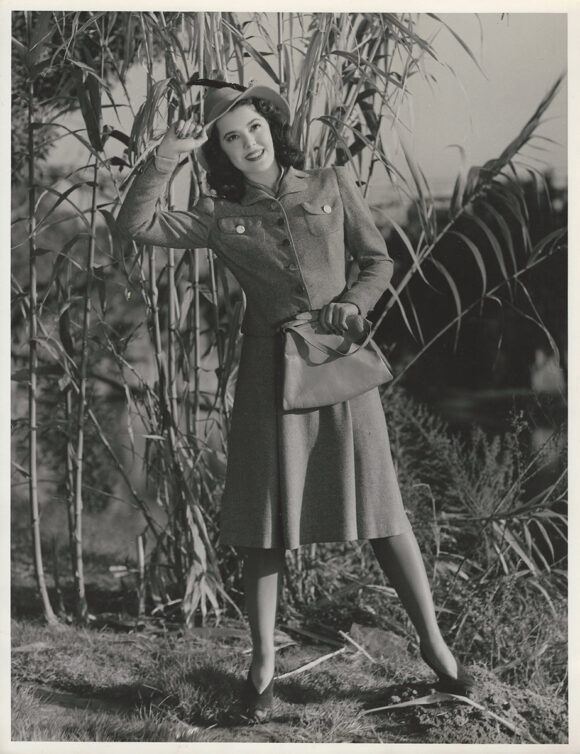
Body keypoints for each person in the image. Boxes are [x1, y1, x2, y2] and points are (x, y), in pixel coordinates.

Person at [116, 82, 473, 722]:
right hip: (268, 378)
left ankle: (434, 645)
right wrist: (166, 154)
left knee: (383, 509)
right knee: (265, 523)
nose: (247, 143)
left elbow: (377, 261)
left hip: (338, 364)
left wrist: (353, 305)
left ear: (270, 126)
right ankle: (262, 665)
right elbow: (135, 223)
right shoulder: (219, 215)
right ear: (220, 150)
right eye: (231, 136)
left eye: (253, 128)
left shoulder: (330, 184)